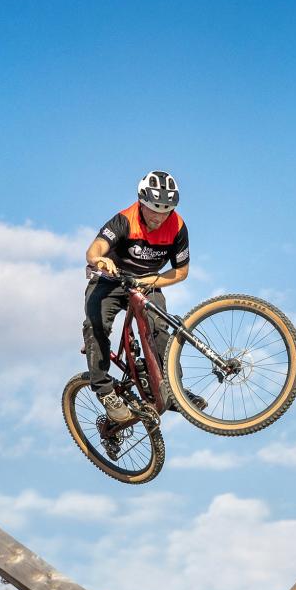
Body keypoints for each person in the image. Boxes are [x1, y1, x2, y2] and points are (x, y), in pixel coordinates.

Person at [84, 171, 190, 423]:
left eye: (166, 211)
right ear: (141, 202)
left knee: (160, 328)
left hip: (145, 284)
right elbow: (94, 249)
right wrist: (99, 260)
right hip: (110, 281)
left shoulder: (177, 227)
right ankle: (105, 390)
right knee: (95, 325)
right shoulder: (124, 220)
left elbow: (181, 271)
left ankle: (174, 390)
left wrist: (150, 281)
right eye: (153, 210)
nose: (158, 217)